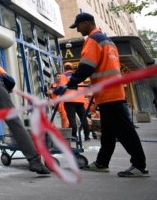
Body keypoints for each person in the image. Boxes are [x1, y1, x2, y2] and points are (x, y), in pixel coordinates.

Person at [54, 13, 149, 177]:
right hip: (111, 92)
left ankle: (139, 165)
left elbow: (86, 67)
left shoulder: (93, 40)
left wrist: (69, 84)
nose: (77, 29)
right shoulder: (107, 41)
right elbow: (103, 67)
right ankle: (102, 162)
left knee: (125, 131)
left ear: (85, 23)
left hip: (109, 94)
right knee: (108, 132)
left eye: (78, 26)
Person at [61, 63, 91, 141]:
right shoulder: (77, 76)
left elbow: (62, 87)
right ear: (72, 68)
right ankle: (87, 136)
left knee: (72, 119)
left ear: (64, 68)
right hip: (80, 99)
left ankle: (74, 136)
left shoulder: (63, 76)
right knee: (83, 118)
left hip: (69, 100)